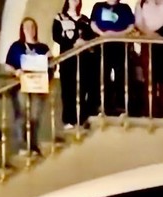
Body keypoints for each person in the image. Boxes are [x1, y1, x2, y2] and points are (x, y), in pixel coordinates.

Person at [5, 17, 52, 156]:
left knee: (35, 116)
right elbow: (8, 65)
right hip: (22, 86)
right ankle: (23, 145)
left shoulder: (42, 47)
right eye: (27, 27)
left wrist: (50, 58)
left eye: (32, 26)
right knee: (22, 116)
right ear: (22, 29)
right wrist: (16, 71)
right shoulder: (16, 47)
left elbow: (51, 63)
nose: (30, 29)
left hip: (38, 86)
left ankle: (33, 144)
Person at [53, 0, 99, 129]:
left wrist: (85, 43)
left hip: (85, 60)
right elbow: (56, 36)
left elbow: (92, 37)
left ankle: (83, 117)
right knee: (68, 89)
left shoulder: (84, 20)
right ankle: (69, 119)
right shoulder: (60, 18)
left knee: (84, 88)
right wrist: (73, 42)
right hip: (68, 59)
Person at [90, 0, 136, 117]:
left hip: (120, 45)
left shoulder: (124, 8)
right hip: (103, 44)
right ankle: (103, 105)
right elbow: (93, 23)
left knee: (121, 75)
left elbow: (131, 26)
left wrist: (118, 34)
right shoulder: (99, 6)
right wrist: (103, 34)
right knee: (102, 75)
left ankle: (121, 106)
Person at [135, 0, 163, 118]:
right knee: (149, 78)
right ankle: (150, 111)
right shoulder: (141, 3)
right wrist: (152, 35)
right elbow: (139, 24)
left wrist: (162, 34)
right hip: (148, 42)